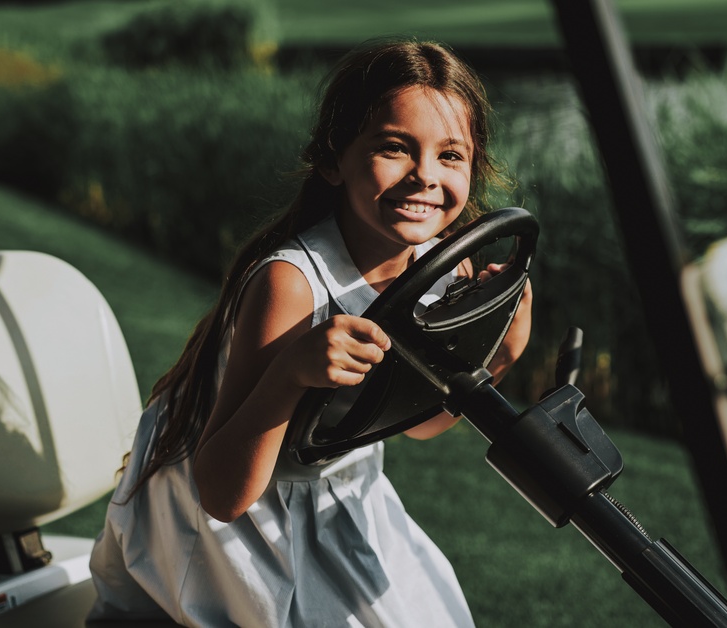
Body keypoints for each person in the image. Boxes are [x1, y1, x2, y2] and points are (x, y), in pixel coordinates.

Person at [88, 38, 531, 627]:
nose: (424, 176)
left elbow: (418, 421)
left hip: (343, 486)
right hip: (234, 505)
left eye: (451, 155)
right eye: (395, 148)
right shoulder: (290, 286)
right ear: (333, 160)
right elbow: (221, 494)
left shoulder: (442, 268)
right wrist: (291, 374)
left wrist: (504, 351)